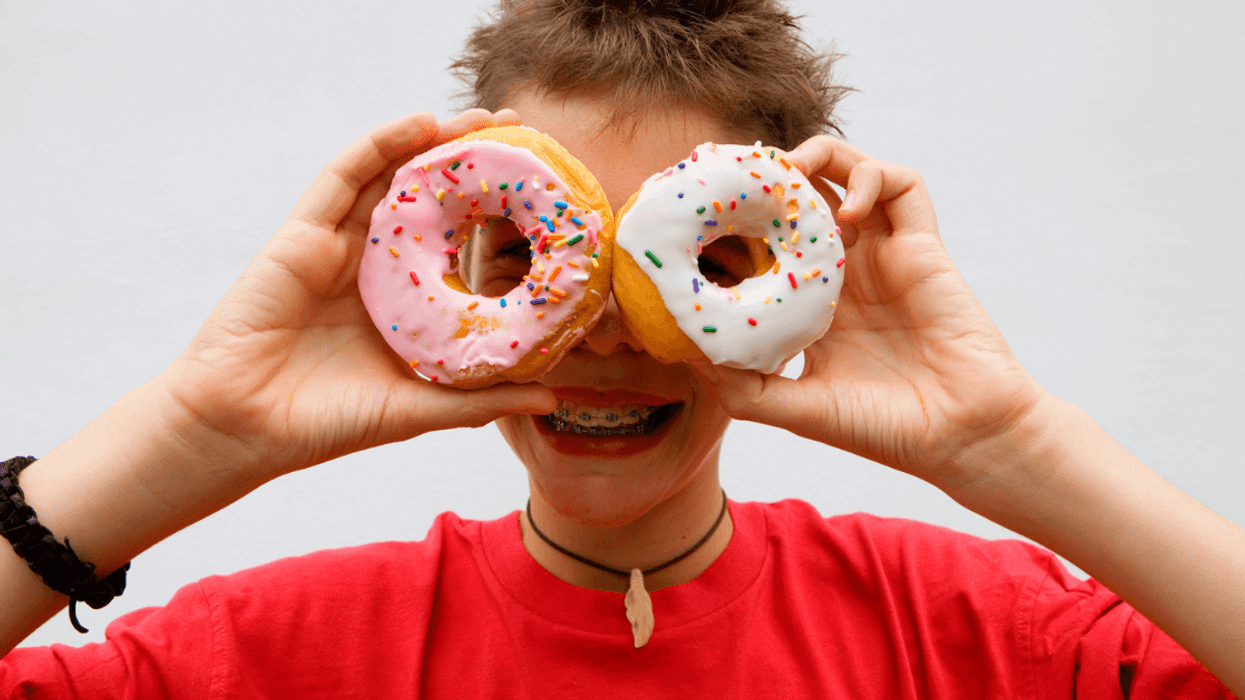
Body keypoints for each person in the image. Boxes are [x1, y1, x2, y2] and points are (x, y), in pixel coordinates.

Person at [1, 0, 1241, 696]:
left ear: (788, 270)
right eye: (543, 252)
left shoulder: (984, 641)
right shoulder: (271, 658)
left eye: (693, 262)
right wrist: (194, 431)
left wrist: (1012, 442)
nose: (604, 327)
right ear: (462, 264)